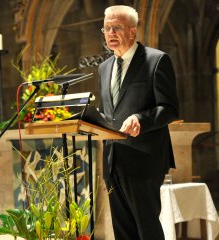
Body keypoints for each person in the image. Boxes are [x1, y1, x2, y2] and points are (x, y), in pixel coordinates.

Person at [98, 5, 179, 240]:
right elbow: (108, 113)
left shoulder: (156, 60)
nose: (110, 33)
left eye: (117, 27)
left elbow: (170, 109)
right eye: (106, 28)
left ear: (132, 32)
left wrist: (140, 119)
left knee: (147, 230)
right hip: (113, 161)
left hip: (144, 160)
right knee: (123, 232)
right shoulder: (104, 68)